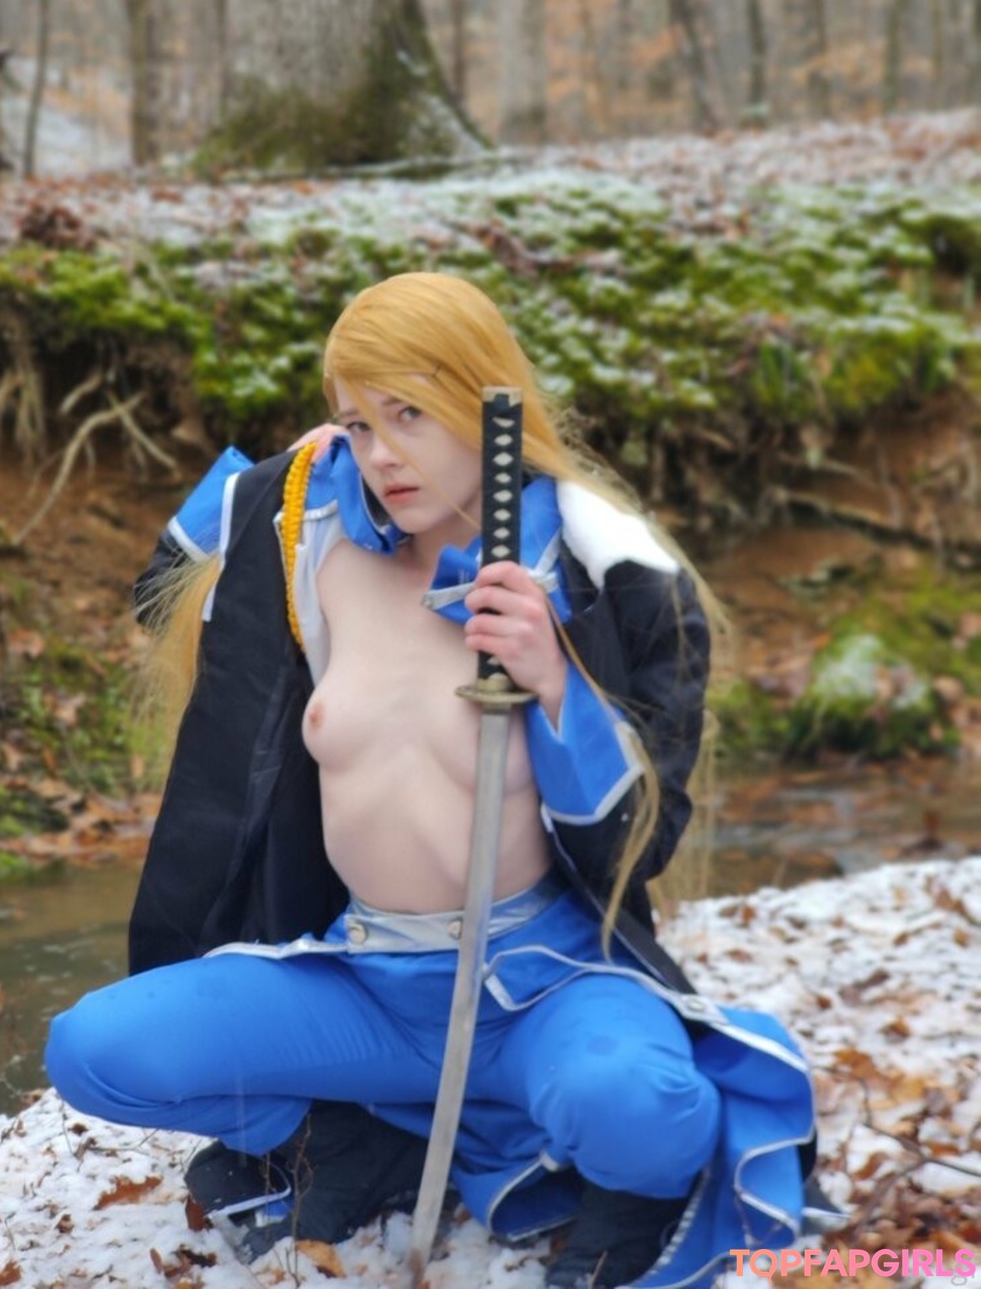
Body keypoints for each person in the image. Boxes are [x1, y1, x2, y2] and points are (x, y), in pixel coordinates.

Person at [45, 273, 817, 1289]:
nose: (382, 453)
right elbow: (159, 589)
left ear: (482, 400)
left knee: (637, 1107)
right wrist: (289, 464)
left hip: (542, 985)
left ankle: (623, 1195)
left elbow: (642, 831)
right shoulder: (312, 538)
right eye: (358, 422)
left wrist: (553, 676)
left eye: (409, 413)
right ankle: (363, 1138)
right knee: (94, 1048)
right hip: (365, 986)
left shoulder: (582, 566)